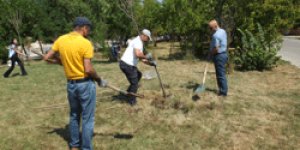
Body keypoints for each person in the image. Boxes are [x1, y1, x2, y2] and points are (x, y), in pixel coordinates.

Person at [44, 17, 107, 150]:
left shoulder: (61, 40)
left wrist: (61, 62)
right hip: (85, 84)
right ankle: (86, 148)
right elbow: (88, 69)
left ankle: (74, 145)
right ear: (83, 27)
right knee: (87, 118)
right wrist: (99, 79)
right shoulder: (85, 43)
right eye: (88, 29)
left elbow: (46, 58)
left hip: (71, 85)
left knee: (74, 115)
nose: (88, 31)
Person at [119, 29, 156, 105]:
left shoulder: (139, 42)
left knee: (139, 75)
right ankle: (131, 101)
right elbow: (138, 54)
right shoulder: (137, 42)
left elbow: (142, 59)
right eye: (148, 38)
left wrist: (151, 63)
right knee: (135, 83)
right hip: (127, 64)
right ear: (144, 35)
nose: (148, 40)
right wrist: (147, 56)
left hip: (127, 64)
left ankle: (128, 93)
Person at [208, 19, 228, 96]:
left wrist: (210, 54)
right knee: (221, 73)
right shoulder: (223, 31)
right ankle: (222, 90)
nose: (210, 30)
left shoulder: (216, 35)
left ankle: (223, 92)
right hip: (224, 54)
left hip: (219, 56)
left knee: (220, 75)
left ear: (215, 26)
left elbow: (216, 49)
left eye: (211, 28)